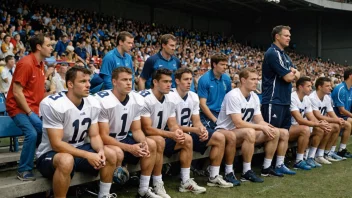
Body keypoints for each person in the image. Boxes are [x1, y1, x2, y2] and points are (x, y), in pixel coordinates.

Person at [36, 66, 117, 198]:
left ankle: (104, 195)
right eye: (83, 81)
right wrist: (88, 155)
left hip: (79, 150)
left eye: (88, 81)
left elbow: (95, 136)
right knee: (66, 160)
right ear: (70, 84)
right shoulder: (54, 104)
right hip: (51, 154)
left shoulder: (93, 103)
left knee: (110, 154)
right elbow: (57, 144)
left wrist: (100, 151)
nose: (88, 85)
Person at [96, 67, 163, 198]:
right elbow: (103, 136)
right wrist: (130, 148)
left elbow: (136, 130)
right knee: (118, 152)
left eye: (130, 80)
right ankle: (104, 194)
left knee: (151, 144)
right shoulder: (103, 100)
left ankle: (143, 189)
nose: (128, 83)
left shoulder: (136, 99)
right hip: (107, 142)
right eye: (124, 80)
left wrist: (143, 143)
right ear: (114, 82)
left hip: (123, 139)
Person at [140, 68, 206, 197]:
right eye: (165, 81)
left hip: (160, 136)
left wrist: (178, 133)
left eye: (170, 81)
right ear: (155, 82)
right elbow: (147, 129)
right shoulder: (145, 98)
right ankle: (156, 184)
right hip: (143, 138)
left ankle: (185, 181)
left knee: (187, 139)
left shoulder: (169, 99)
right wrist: (171, 134)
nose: (169, 85)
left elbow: (172, 124)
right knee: (158, 141)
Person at [216, 68, 284, 183]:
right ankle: (239, 171)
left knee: (275, 131)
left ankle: (266, 168)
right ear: (243, 80)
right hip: (225, 131)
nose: (256, 82)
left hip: (243, 133)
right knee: (250, 132)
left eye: (257, 79)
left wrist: (267, 126)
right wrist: (261, 127)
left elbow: (259, 120)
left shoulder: (254, 96)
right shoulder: (233, 95)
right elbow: (238, 123)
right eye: (252, 79)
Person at [170, 67, 234, 187]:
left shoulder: (193, 96)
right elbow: (172, 126)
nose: (189, 82)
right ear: (177, 81)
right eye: (185, 79)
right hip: (173, 135)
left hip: (189, 132)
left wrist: (201, 129)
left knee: (219, 137)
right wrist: (195, 129)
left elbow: (196, 121)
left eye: (190, 79)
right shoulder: (170, 96)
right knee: (188, 138)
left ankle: (213, 176)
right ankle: (185, 180)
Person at [6, 34, 53, 181]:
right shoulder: (26, 63)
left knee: (44, 131)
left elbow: (35, 90)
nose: (52, 48)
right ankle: (24, 169)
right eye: (49, 45)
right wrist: (30, 113)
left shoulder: (42, 64)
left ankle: (41, 162)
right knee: (32, 134)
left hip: (33, 108)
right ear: (39, 47)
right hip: (18, 108)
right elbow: (17, 92)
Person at [261, 25, 299, 174]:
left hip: (284, 100)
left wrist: (293, 72)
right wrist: (292, 72)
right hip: (273, 100)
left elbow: (298, 74)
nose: (289, 38)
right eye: (286, 35)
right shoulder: (272, 53)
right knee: (273, 133)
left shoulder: (285, 55)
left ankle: (279, 164)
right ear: (277, 36)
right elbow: (289, 77)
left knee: (284, 133)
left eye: (289, 35)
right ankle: (266, 167)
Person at [289, 77, 332, 170]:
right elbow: (299, 120)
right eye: (308, 86)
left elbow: (311, 116)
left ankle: (311, 157)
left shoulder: (306, 98)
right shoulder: (292, 97)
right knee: (306, 129)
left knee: (320, 128)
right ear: (300, 87)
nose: (311, 88)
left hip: (299, 126)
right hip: (289, 127)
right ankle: (299, 160)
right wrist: (317, 124)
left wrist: (321, 124)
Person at [309, 77, 346, 164]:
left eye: (330, 86)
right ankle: (318, 155)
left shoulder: (327, 97)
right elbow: (317, 115)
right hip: (312, 122)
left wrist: (338, 120)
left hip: (320, 122)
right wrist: (335, 120)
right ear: (319, 87)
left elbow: (331, 112)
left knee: (338, 125)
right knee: (329, 126)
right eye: (327, 86)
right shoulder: (312, 97)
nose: (330, 88)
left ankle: (327, 153)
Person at [198, 54, 231, 131]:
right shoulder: (204, 80)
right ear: (214, 64)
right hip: (208, 114)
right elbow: (202, 104)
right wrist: (215, 120)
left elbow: (229, 98)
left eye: (226, 64)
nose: (225, 67)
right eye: (222, 64)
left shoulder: (227, 78)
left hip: (223, 113)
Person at [331, 67, 352, 158]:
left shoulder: (350, 88)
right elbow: (341, 110)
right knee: (349, 122)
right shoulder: (340, 88)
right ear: (350, 76)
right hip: (335, 116)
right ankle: (337, 150)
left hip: (343, 115)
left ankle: (341, 149)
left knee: (350, 121)